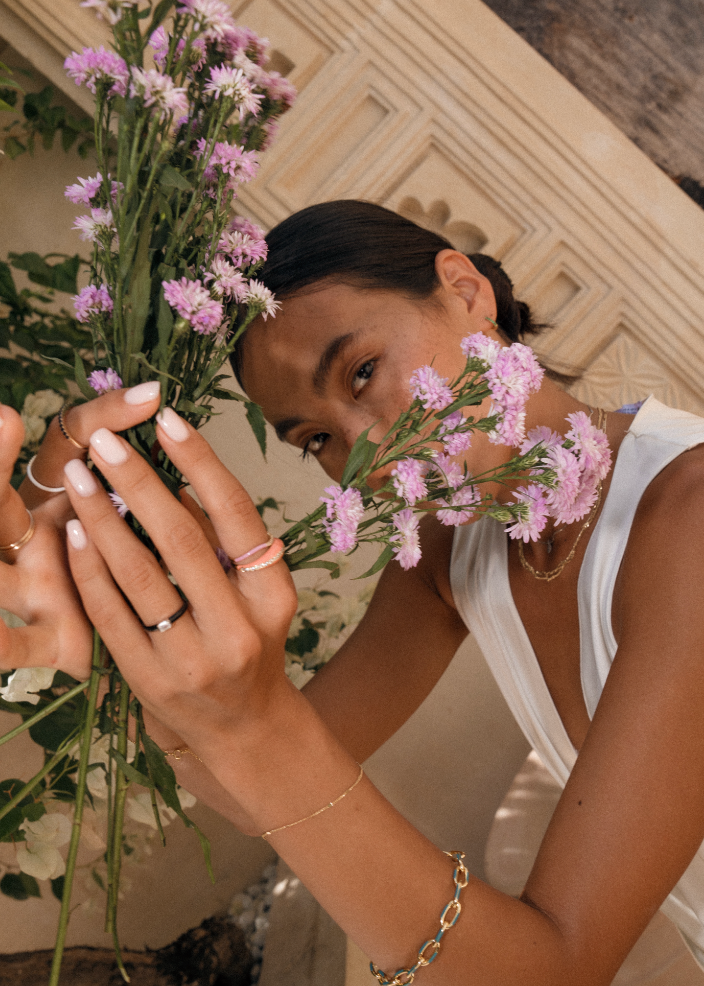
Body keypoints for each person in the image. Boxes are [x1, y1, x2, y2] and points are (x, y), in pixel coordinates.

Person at [2, 199, 704, 985]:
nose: (368, 455)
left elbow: (560, 968)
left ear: (464, 289)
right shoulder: (453, 548)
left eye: (363, 372)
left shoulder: (691, 517)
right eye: (317, 440)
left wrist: (250, 719)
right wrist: (105, 647)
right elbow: (255, 791)